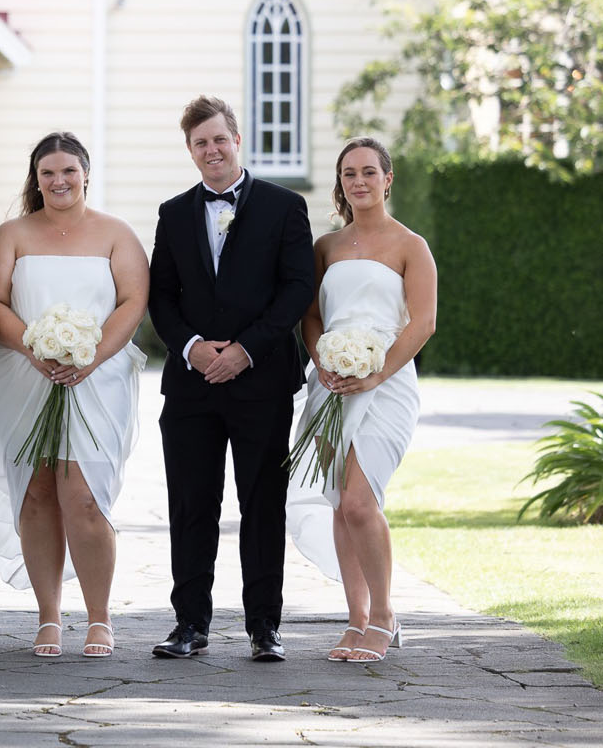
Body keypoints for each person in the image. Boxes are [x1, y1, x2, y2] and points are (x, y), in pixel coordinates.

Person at [147, 95, 315, 662]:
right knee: (192, 505)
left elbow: (297, 288)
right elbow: (161, 296)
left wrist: (245, 350)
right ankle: (189, 624)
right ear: (190, 150)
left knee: (262, 503)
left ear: (236, 139)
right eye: (200, 143)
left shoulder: (284, 206)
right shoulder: (172, 213)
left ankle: (264, 626)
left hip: (261, 381)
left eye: (220, 139)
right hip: (192, 386)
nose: (212, 150)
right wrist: (192, 349)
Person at [0, 132, 148, 657]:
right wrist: (34, 347)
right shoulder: (11, 235)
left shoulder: (116, 234)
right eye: (48, 173)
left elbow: (132, 302)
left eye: (68, 171)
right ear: (36, 179)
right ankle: (48, 615)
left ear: (86, 174)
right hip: (24, 376)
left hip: (98, 378)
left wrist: (90, 356)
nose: (59, 181)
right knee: (36, 490)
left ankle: (100, 617)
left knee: (85, 496)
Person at [286, 137, 436, 663]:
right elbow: (311, 316)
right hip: (329, 384)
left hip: (387, 384)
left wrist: (376, 375)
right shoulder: (325, 247)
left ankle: (386, 616)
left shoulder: (410, 246)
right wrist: (322, 362)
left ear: (387, 178)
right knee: (337, 501)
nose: (359, 181)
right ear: (341, 182)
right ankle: (356, 619)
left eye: (369, 171)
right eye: (349, 173)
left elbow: (422, 322)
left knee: (359, 500)